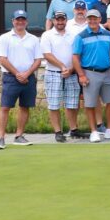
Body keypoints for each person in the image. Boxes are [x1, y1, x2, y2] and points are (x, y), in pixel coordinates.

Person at [0, 9, 43, 149]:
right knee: (5, 107)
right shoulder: (5, 37)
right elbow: (2, 59)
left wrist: (26, 74)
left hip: (29, 78)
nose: (20, 22)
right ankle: (1, 138)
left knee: (25, 107)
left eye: (22, 19)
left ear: (26, 21)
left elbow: (38, 60)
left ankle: (19, 135)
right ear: (13, 21)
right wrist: (17, 74)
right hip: (11, 78)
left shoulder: (33, 39)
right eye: (17, 19)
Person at [72, 9, 110, 143]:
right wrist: (81, 75)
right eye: (90, 18)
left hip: (107, 72)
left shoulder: (107, 34)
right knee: (90, 103)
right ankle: (94, 131)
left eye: (95, 18)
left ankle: (109, 129)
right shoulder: (81, 36)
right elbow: (75, 58)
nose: (92, 21)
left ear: (99, 19)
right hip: (89, 72)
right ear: (87, 20)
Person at [40, 9, 81, 142]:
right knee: (54, 104)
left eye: (62, 19)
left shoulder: (73, 34)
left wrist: (71, 69)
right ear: (53, 20)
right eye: (57, 19)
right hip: (53, 73)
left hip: (72, 73)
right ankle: (58, 131)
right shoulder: (47, 35)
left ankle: (73, 130)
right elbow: (47, 54)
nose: (60, 22)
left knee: (72, 104)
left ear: (66, 20)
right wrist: (62, 66)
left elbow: (77, 54)